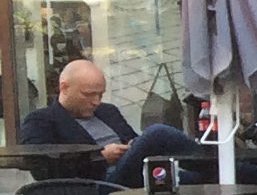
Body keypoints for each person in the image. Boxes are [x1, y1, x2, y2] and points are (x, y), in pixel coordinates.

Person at [18, 59, 195, 185]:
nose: (96, 101)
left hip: (138, 174)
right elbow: (43, 170)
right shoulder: (41, 121)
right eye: (89, 95)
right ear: (64, 87)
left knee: (198, 181)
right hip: (97, 185)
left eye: (100, 94)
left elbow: (135, 142)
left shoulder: (108, 111)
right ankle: (206, 158)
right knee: (156, 132)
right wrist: (100, 158)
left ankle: (205, 168)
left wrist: (132, 145)